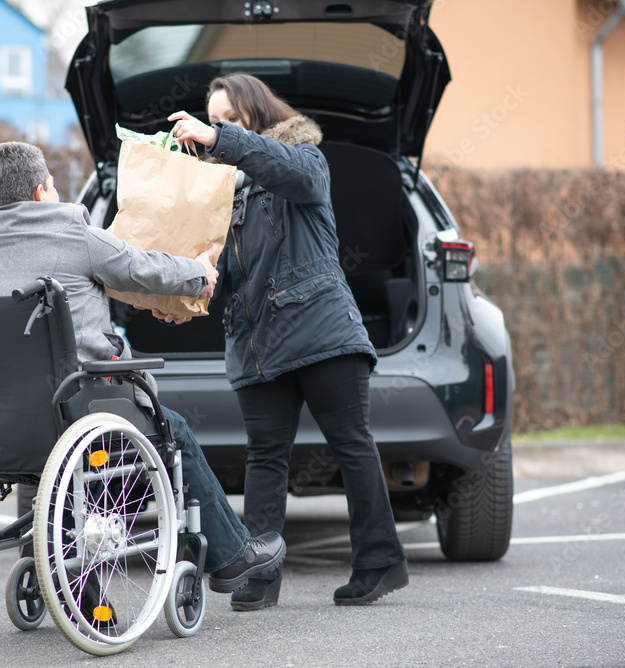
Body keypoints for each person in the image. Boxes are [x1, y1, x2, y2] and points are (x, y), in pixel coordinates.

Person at [0, 141, 285, 602]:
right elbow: (137, 267)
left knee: (116, 460)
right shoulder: (66, 228)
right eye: (50, 184)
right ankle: (232, 558)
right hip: (71, 410)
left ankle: (73, 576)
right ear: (39, 192)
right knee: (172, 433)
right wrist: (199, 273)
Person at [165, 73, 408, 610]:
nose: (215, 129)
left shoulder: (304, 159)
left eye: (227, 118)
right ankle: (263, 574)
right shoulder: (223, 194)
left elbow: (285, 170)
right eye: (213, 120)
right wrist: (187, 301)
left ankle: (378, 561)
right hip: (259, 344)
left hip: (322, 331)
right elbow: (220, 269)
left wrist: (219, 141)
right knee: (265, 458)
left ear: (253, 114)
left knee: (352, 444)